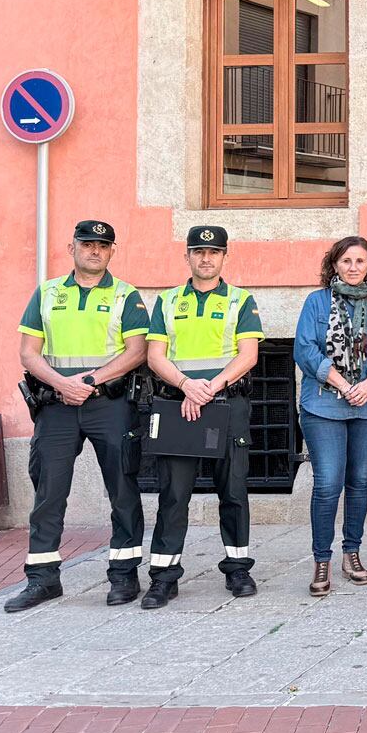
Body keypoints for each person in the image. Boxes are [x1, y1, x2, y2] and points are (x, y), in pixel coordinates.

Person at [6, 220, 151, 613]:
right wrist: (62, 384)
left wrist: (88, 380)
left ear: (112, 251)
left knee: (122, 489)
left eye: (102, 246)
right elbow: (28, 353)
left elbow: (137, 351)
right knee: (48, 492)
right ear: (71, 247)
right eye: (87, 244)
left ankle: (124, 575)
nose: (94, 251)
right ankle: (42, 579)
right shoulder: (48, 292)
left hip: (110, 404)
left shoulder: (126, 295)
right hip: (57, 406)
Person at [141, 225, 264, 609]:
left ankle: (238, 568)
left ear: (225, 256)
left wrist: (208, 388)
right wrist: (186, 386)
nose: (206, 258)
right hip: (180, 405)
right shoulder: (167, 300)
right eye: (198, 251)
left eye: (213, 252)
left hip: (226, 404)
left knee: (233, 491)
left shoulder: (240, 301)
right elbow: (155, 355)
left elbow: (248, 355)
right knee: (174, 494)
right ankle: (163, 576)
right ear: (187, 256)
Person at [294, 236, 367, 597]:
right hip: (324, 403)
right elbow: (304, 349)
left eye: (361, 261)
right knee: (327, 483)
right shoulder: (317, 301)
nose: (353, 267)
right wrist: (343, 384)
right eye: (346, 261)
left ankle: (351, 552)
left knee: (359, 480)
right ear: (334, 265)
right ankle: (321, 558)